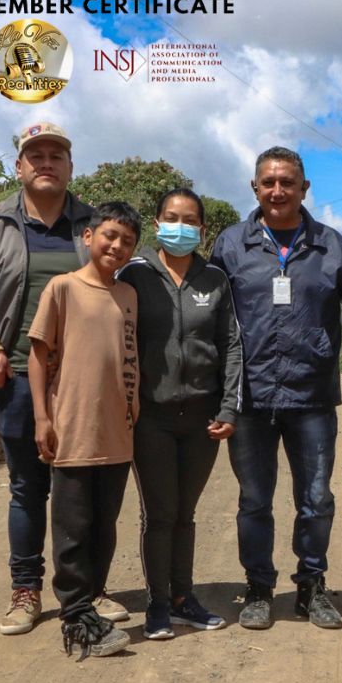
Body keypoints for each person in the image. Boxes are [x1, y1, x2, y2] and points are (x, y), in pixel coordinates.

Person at [0, 122, 127, 634]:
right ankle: (25, 590)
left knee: (83, 488)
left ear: (69, 166)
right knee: (27, 488)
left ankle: (87, 589)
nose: (45, 161)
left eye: (56, 154)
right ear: (18, 166)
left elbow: (127, 283)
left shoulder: (94, 225)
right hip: (17, 376)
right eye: (34, 154)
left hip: (88, 383)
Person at [209, 146, 342, 630]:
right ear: (254, 188)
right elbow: (208, 319)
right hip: (250, 397)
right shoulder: (229, 246)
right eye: (268, 182)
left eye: (287, 182)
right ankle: (259, 588)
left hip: (310, 399)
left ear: (304, 188)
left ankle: (311, 586)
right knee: (254, 500)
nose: (277, 190)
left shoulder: (331, 246)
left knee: (316, 500)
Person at [117, 188, 242, 639]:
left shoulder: (215, 280)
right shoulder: (133, 275)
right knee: (159, 513)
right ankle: (157, 604)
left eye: (190, 220)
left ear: (202, 230)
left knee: (185, 513)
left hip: (202, 418)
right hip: (150, 416)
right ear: (156, 222)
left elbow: (231, 347)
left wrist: (228, 406)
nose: (180, 226)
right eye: (172, 217)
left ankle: (183, 597)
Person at [28, 201, 142, 660]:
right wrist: (42, 417)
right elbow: (39, 355)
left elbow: (130, 358)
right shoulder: (62, 288)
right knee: (73, 527)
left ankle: (93, 597)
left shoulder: (128, 295)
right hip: (73, 427)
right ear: (89, 236)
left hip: (118, 431)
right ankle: (75, 620)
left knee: (105, 524)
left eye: (127, 241)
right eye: (109, 235)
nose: (117, 245)